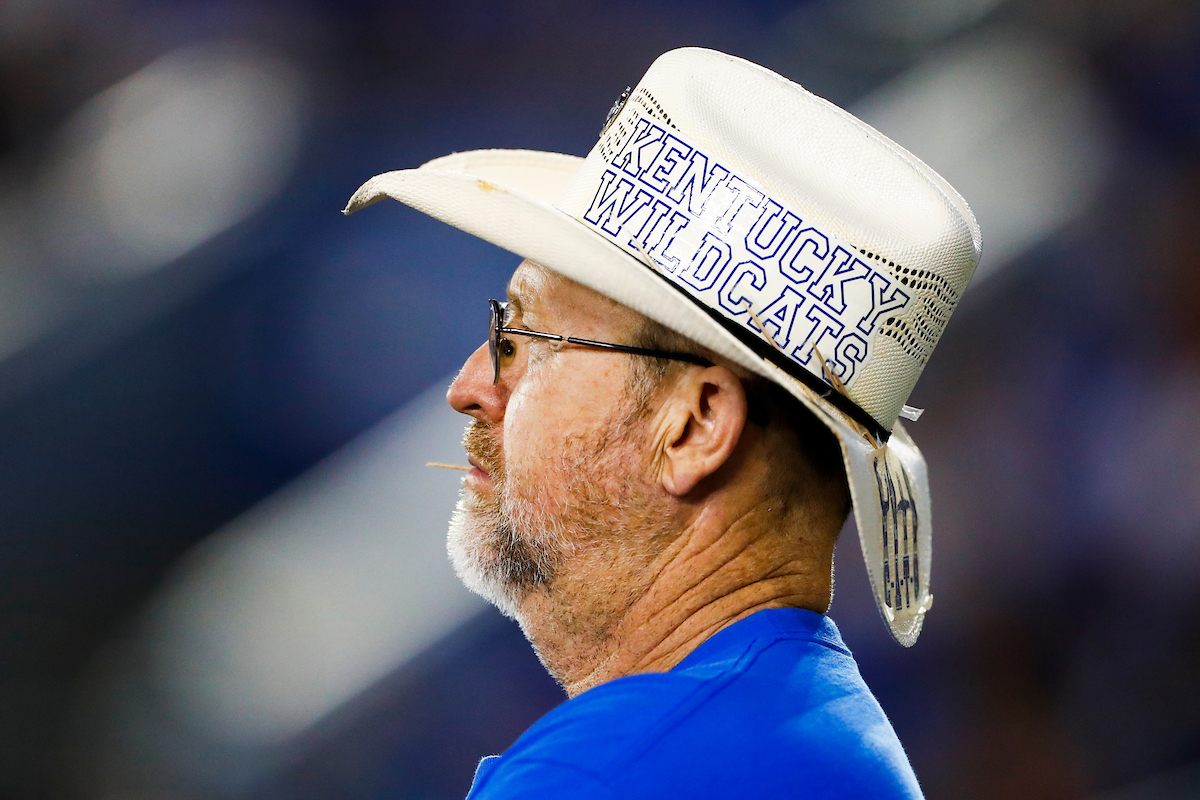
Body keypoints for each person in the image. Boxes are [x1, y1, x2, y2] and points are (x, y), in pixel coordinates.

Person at [346, 47, 979, 799]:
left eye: (524, 338)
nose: (470, 387)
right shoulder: (808, 735)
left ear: (696, 425)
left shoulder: (613, 773)